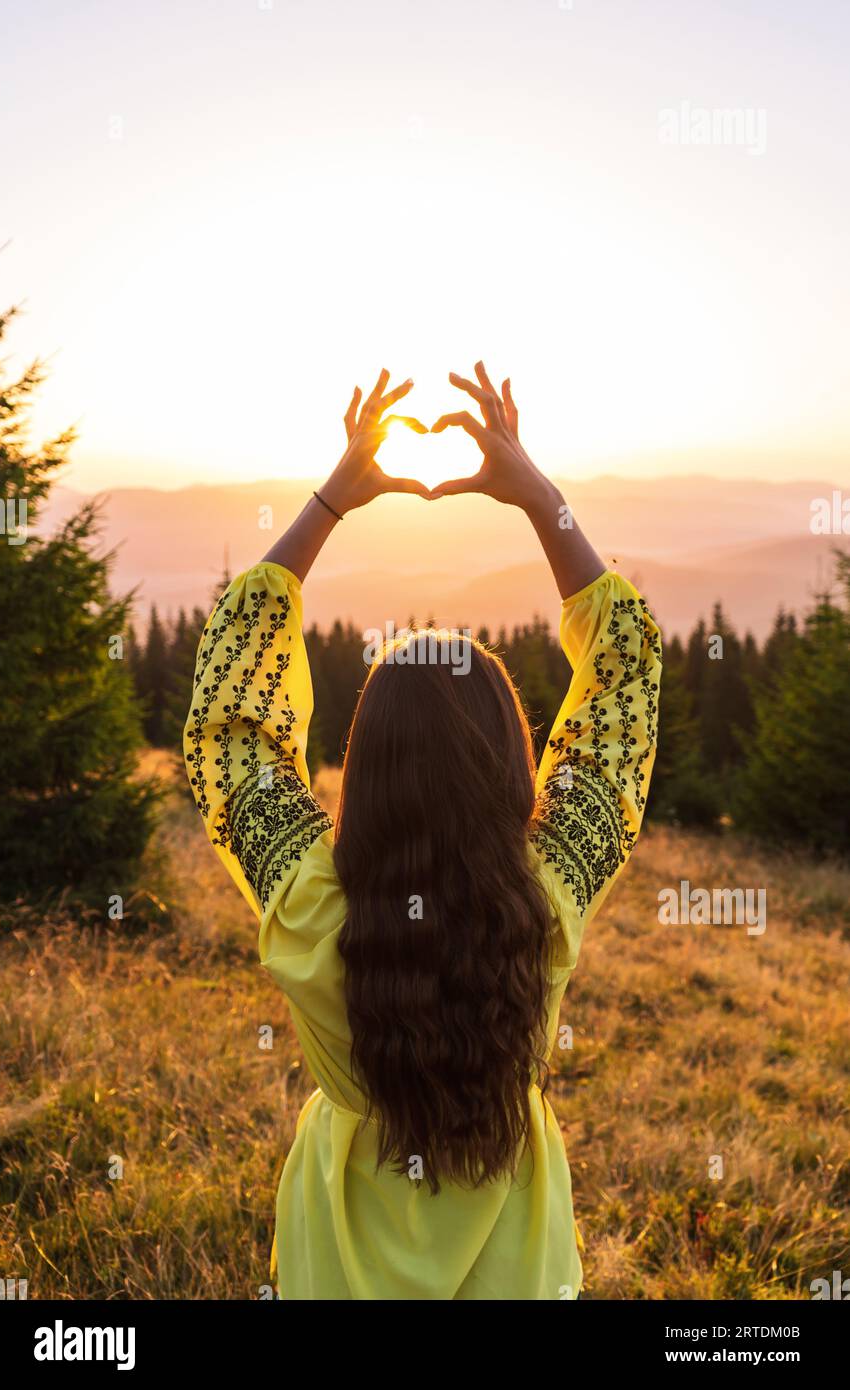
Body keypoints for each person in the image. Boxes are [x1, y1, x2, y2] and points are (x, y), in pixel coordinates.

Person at [184, 362, 662, 1300]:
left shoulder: (314, 906)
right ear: (511, 765)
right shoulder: (547, 897)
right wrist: (540, 500)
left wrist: (329, 501)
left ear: (366, 772)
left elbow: (233, 712)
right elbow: (626, 680)